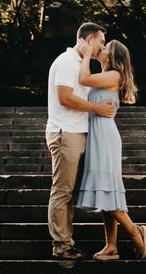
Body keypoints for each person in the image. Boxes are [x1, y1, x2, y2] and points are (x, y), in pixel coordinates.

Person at [46, 22, 117, 261]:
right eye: (101, 42)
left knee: (68, 192)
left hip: (76, 132)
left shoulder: (80, 64)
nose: (102, 47)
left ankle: (66, 242)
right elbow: (65, 98)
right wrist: (97, 108)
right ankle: (62, 246)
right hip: (66, 133)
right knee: (62, 190)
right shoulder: (67, 62)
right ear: (88, 40)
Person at [75, 38, 146, 260]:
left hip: (105, 136)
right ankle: (111, 246)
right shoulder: (105, 76)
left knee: (106, 189)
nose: (101, 48)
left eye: (105, 48)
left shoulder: (114, 75)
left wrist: (86, 54)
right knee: (104, 190)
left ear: (113, 57)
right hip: (97, 133)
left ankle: (135, 231)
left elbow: (84, 78)